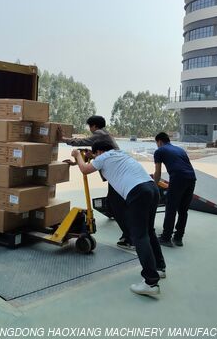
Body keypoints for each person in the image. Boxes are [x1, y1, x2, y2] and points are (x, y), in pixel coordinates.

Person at [70, 140, 166, 297]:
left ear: (99, 152)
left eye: (95, 154)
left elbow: (85, 170)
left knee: (139, 236)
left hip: (137, 192)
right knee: (149, 231)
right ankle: (159, 268)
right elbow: (98, 161)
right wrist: (87, 156)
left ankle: (150, 282)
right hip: (152, 188)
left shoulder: (103, 157)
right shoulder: (120, 153)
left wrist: (77, 155)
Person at [58, 115, 133, 250]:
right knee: (114, 204)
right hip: (118, 174)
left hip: (117, 176)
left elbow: (82, 142)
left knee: (116, 205)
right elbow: (96, 156)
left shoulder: (100, 134)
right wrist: (76, 163)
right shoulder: (105, 136)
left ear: (94, 126)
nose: (90, 129)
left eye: (90, 126)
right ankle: (129, 235)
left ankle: (130, 238)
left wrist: (63, 139)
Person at [153, 132, 196, 247]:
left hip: (178, 179)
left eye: (156, 143)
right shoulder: (180, 150)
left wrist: (154, 186)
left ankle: (166, 238)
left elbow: (157, 172)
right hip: (191, 178)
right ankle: (178, 238)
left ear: (159, 141)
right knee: (183, 210)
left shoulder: (159, 151)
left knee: (171, 208)